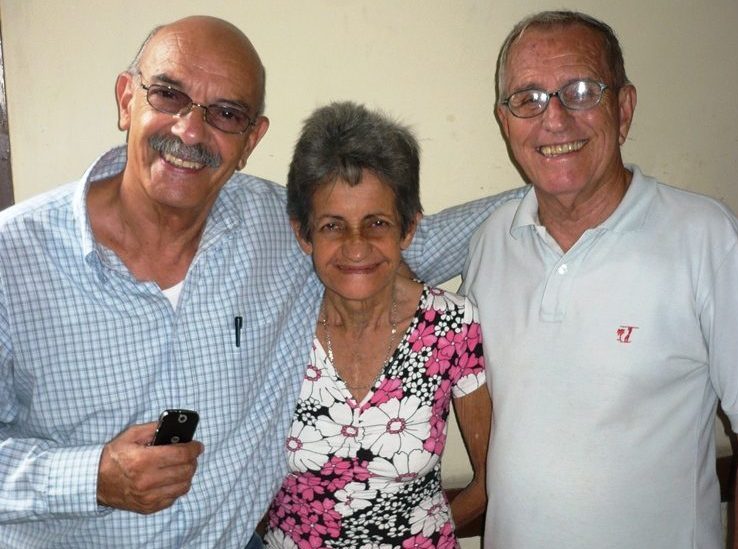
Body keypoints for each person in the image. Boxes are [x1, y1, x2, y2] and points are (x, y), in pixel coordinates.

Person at [0, 16, 507, 548]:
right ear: (127, 99)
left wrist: (553, 189)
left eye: (225, 113)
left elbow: (391, 246)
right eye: (169, 95)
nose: (190, 131)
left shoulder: (278, 228)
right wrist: (91, 477)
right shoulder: (13, 258)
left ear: (250, 139)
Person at [461, 10, 738, 549]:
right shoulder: (491, 242)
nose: (554, 119)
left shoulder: (708, 239)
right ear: (506, 123)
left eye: (580, 91)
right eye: (528, 98)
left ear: (623, 109)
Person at [263, 102, 491, 548]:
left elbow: (489, 480)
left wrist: (419, 536)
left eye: (377, 223)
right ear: (304, 233)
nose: (356, 247)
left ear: (407, 229)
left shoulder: (452, 326)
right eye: (333, 226)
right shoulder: (276, 326)